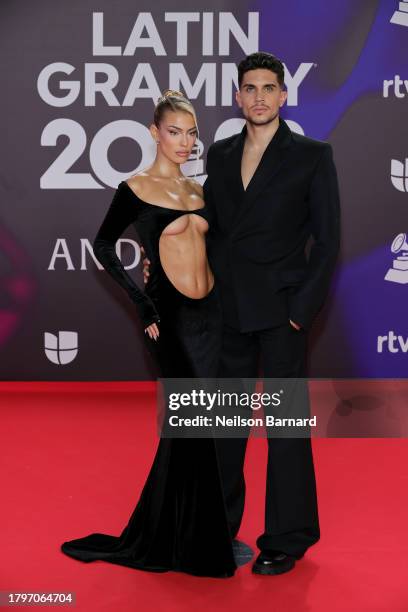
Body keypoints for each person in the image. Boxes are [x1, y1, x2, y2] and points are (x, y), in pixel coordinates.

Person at [60, 90, 237, 578]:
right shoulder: (135, 188)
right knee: (195, 424)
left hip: (212, 315)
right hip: (171, 318)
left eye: (191, 132)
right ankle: (194, 546)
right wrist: (142, 304)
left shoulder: (200, 191)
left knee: (197, 429)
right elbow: (102, 244)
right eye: (175, 132)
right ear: (155, 132)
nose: (185, 141)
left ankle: (180, 533)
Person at [202, 52, 341, 575]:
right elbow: (210, 228)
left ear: (284, 96)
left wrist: (300, 313)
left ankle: (287, 536)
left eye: (268, 88)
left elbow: (327, 243)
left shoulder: (311, 155)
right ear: (237, 97)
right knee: (222, 424)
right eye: (249, 88)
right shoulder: (218, 154)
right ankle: (216, 527)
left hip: (282, 313)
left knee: (284, 428)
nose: (259, 97)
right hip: (227, 310)